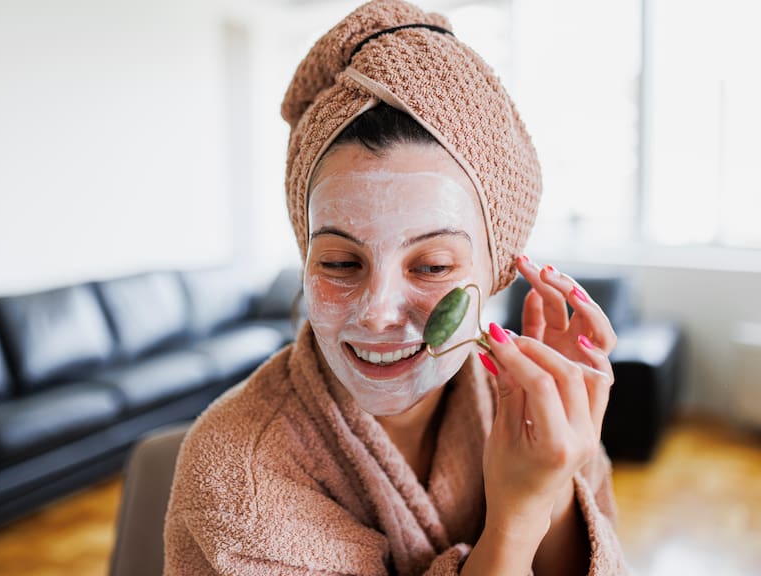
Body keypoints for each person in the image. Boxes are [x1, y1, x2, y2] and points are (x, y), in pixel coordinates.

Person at [164, 1, 626, 574]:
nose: (378, 313)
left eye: (431, 266)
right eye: (338, 262)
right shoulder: (238, 472)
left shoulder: (539, 412)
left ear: (502, 269)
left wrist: (556, 484)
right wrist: (517, 519)